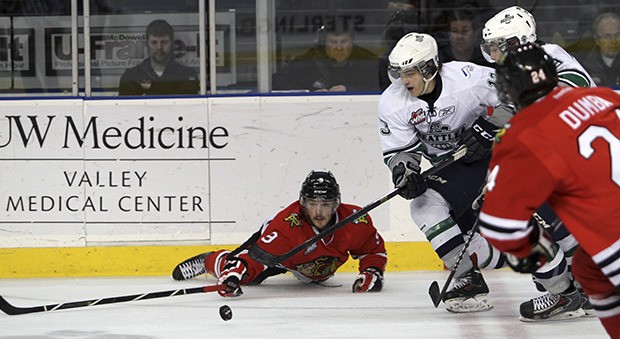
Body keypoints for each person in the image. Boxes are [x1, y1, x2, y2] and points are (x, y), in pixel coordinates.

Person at [478, 42, 620, 338]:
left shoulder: (523, 133)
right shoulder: (602, 96)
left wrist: (533, 253)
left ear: (508, 90)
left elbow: (500, 226)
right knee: (587, 267)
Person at [378, 32, 514, 313]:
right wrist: (405, 173)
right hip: (457, 167)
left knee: (542, 214)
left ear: (429, 67)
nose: (404, 81)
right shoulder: (393, 102)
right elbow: (399, 151)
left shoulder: (469, 78)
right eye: (400, 73)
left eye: (411, 72)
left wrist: (489, 129)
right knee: (441, 217)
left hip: (500, 156)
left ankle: (571, 278)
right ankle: (474, 277)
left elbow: (518, 98)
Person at [170, 171, 387, 297]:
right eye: (313, 204)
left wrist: (372, 271)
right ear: (303, 204)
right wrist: (238, 270)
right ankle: (212, 260)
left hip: (312, 267)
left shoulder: (355, 220)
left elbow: (373, 251)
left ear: (336, 204)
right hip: (285, 256)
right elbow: (255, 259)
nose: (319, 212)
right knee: (245, 277)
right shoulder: (286, 226)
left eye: (325, 204)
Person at [272, 18, 380, 92]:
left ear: (352, 40)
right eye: (333, 42)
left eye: (344, 41)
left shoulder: (366, 60)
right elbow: (278, 81)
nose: (339, 47)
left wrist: (350, 90)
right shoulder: (311, 59)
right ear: (324, 42)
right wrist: (310, 92)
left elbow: (385, 85)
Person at [118, 19, 199, 96]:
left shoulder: (187, 75)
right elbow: (125, 109)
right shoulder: (130, 76)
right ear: (146, 44)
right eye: (154, 42)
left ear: (172, 44)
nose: (159, 47)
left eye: (164, 42)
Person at [580, 12, 620, 88]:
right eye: (607, 36)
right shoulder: (582, 65)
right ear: (596, 39)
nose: (613, 41)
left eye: (617, 35)